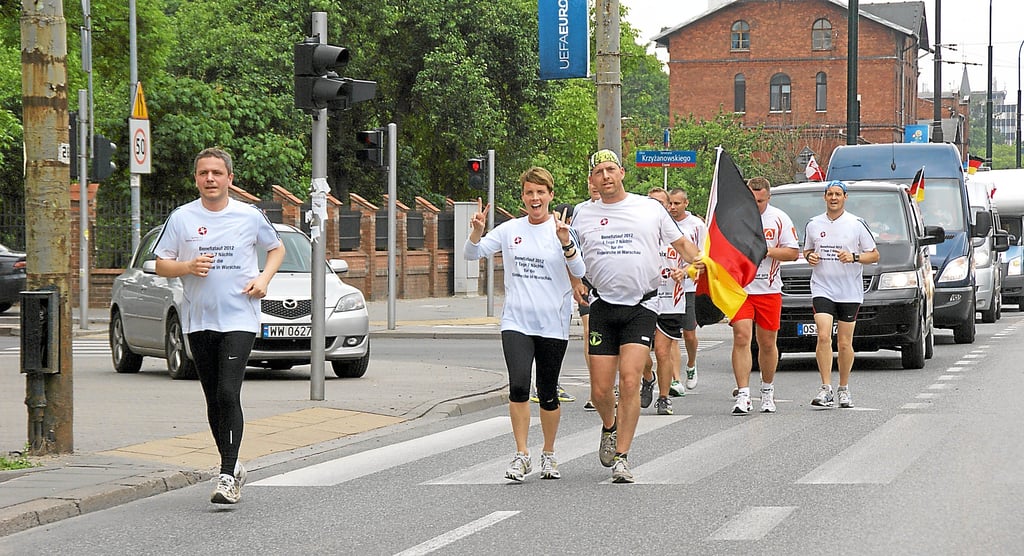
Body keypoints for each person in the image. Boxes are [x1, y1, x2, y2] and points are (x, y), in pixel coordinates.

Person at [154, 148, 285, 504]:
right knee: (213, 397)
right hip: (199, 319)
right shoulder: (182, 218)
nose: (209, 179)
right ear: (196, 179)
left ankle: (227, 475)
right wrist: (187, 267)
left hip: (240, 315)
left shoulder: (249, 215)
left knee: (229, 393)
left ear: (230, 178)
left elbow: (276, 249)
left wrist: (264, 279)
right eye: (203, 173)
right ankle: (234, 464)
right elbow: (161, 264)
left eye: (216, 173)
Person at [571, 149, 702, 483]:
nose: (606, 176)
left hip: (643, 306)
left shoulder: (649, 208)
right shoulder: (583, 214)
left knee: (630, 379)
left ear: (622, 173)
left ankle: (623, 457)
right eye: (599, 171)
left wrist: (698, 263)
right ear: (593, 179)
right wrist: (574, 282)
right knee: (601, 391)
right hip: (602, 306)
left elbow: (683, 245)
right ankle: (609, 426)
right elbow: (569, 255)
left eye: (611, 169)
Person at [464, 166, 585, 481]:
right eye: (529, 192)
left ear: (550, 196)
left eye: (540, 192)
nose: (535, 198)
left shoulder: (562, 231)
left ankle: (549, 453)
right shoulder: (509, 230)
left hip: (552, 323)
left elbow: (580, 268)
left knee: (547, 391)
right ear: (523, 197)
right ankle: (521, 454)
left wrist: (565, 242)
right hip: (516, 321)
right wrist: (477, 230)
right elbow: (471, 253)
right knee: (518, 386)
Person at [803, 179, 880, 409]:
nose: (833, 198)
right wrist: (810, 257)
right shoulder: (814, 224)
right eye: (830, 194)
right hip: (822, 287)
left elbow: (874, 255)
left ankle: (843, 388)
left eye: (838, 194)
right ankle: (825, 388)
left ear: (845, 197)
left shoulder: (856, 224)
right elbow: (806, 249)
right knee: (824, 335)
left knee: (844, 343)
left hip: (849, 290)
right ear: (824, 197)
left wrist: (854, 257)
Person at [729, 177, 800, 414]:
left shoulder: (779, 218)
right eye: (752, 200)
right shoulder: (736, 217)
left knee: (767, 343)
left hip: (768, 290)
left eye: (760, 201)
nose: (755, 204)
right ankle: (743, 394)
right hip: (740, 290)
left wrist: (766, 251)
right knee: (741, 337)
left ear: (768, 198)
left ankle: (767, 390)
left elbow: (792, 252)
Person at [639, 187, 696, 416]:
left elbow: (697, 261)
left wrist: (685, 272)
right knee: (642, 353)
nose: (657, 207)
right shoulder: (640, 231)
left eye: (662, 203)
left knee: (662, 352)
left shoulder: (679, 233)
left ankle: (663, 398)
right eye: (651, 202)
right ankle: (647, 377)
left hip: (671, 300)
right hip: (644, 299)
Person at [573, 184, 602, 412]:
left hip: (611, 280)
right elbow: (571, 246)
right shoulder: (580, 211)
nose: (594, 186)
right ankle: (595, 389)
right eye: (590, 180)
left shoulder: (621, 208)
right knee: (588, 331)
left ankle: (613, 383)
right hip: (587, 278)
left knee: (613, 336)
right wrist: (576, 279)